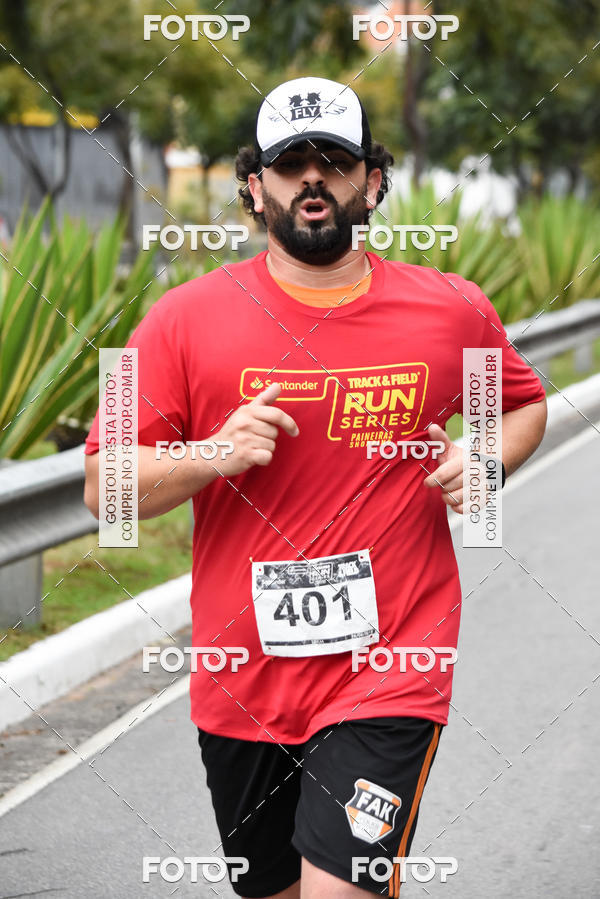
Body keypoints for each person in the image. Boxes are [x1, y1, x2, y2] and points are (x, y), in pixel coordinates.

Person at [83, 76, 547, 898]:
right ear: (253, 187)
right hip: (243, 684)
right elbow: (101, 487)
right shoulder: (173, 321)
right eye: (289, 162)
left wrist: (485, 464)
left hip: (392, 666)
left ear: (371, 182)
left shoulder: (454, 311)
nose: (311, 179)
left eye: (332, 160)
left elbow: (518, 404)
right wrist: (212, 454)